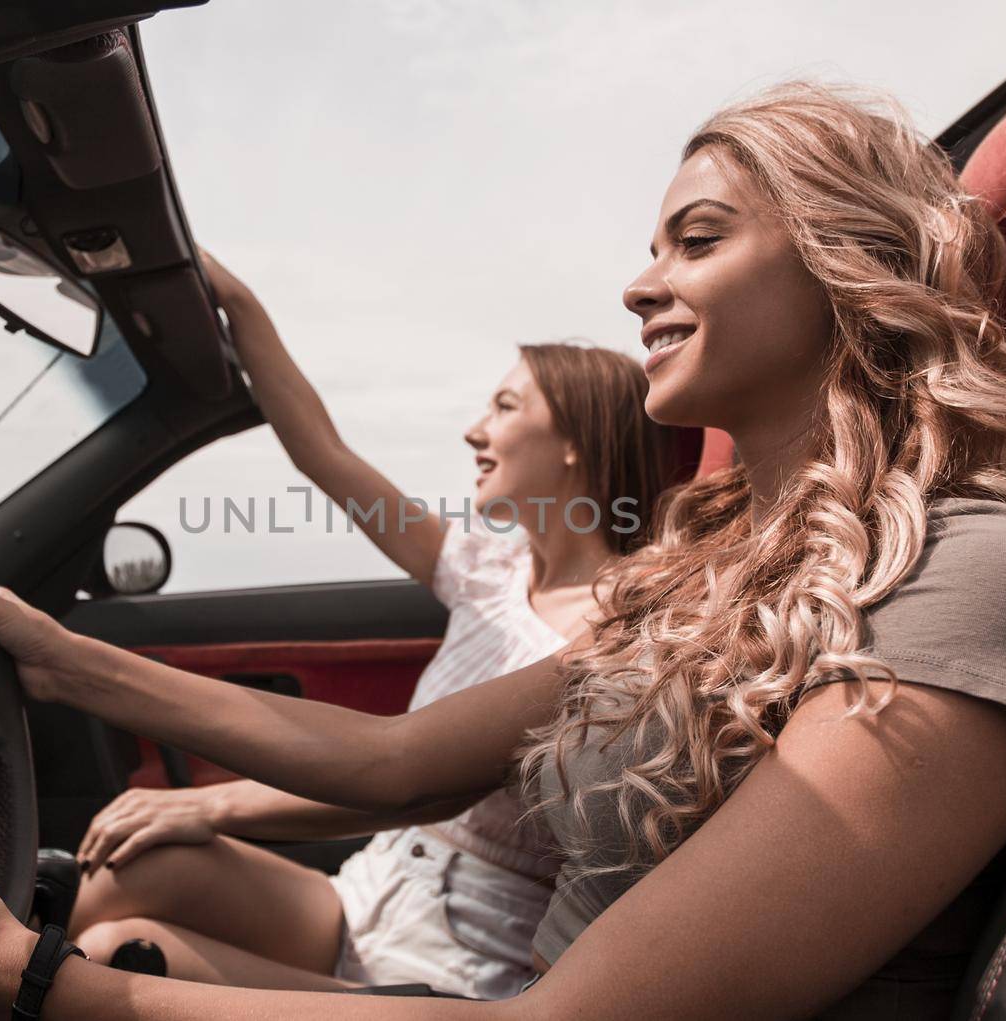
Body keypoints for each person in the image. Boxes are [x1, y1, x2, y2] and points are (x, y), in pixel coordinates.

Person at [0, 80, 1006, 1021]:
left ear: (846, 261)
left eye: (695, 239)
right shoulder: (705, 579)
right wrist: (65, 659)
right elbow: (392, 764)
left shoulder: (977, 579)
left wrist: (21, 981)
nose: (637, 283)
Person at [65, 255, 689, 999]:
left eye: (504, 406)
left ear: (575, 441)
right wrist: (238, 301)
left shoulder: (626, 622)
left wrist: (209, 801)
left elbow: (420, 782)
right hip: (371, 888)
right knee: (122, 869)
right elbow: (324, 455)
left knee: (111, 956)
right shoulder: (488, 571)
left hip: (461, 961)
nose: (473, 430)